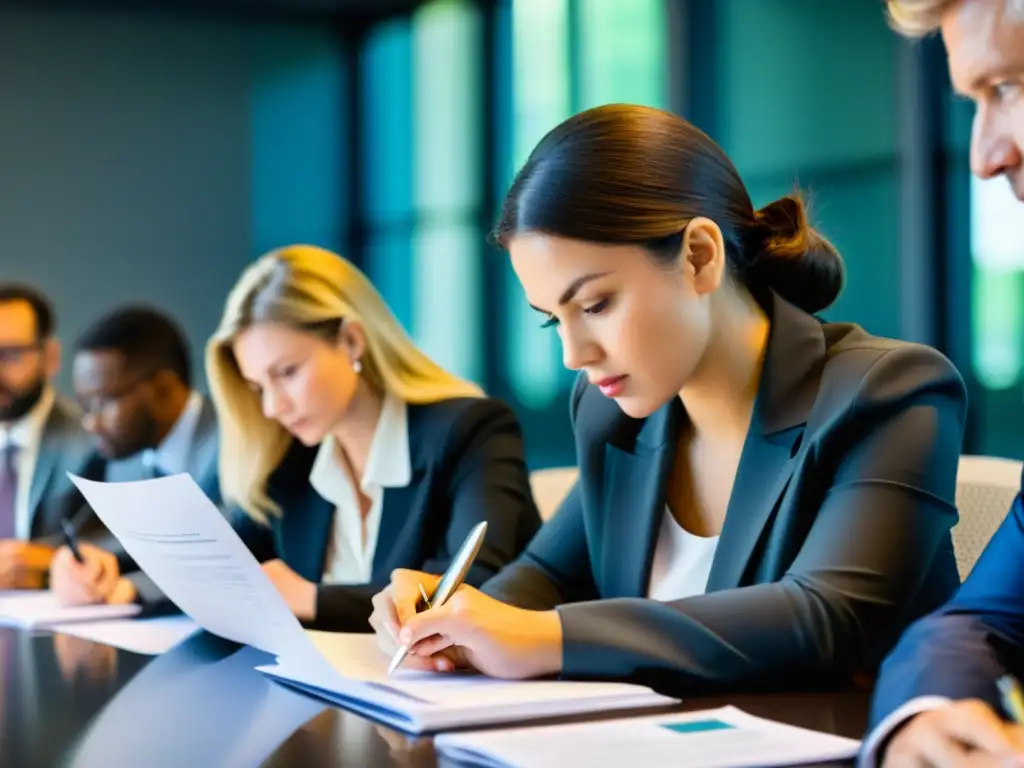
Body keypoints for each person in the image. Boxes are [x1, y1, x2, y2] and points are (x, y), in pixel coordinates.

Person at [368, 103, 967, 697]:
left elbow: (828, 619)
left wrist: (543, 639)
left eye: (597, 305)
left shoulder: (889, 391)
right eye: (554, 320)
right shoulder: (613, 413)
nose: (574, 355)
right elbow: (547, 576)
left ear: (699, 256)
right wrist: (445, 621)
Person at [208, 244, 538, 631]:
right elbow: (224, 563)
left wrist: (312, 599)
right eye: (257, 386)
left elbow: (472, 587)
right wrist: (133, 586)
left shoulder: (470, 431)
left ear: (351, 340)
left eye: (287, 372)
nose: (272, 407)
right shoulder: (289, 459)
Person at [860, 1, 1024, 765]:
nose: (985, 156)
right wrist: (927, 718)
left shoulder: (881, 389)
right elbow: (971, 624)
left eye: (1011, 87)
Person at [48, 306, 219, 607]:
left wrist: (133, 588)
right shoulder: (120, 461)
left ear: (164, 389)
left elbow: (226, 555)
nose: (91, 423)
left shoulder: (232, 446)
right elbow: (122, 548)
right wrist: (83, 566)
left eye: (103, 402)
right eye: (85, 406)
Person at [0, 283, 97, 590]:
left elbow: (123, 542)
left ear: (50, 357)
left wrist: (48, 561)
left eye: (10, 354)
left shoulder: (93, 440)